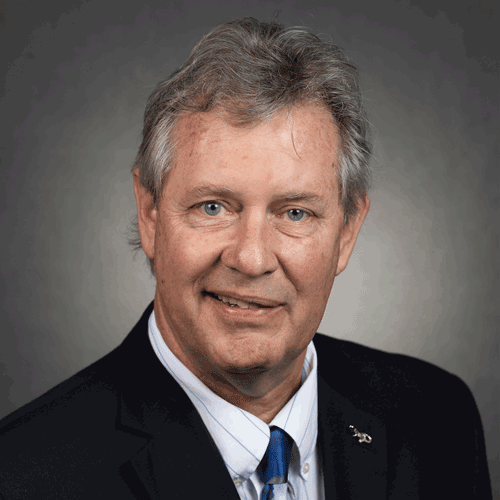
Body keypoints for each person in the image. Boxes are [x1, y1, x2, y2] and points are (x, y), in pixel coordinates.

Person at [0, 17, 492, 500]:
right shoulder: (24, 472)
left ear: (346, 230)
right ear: (149, 213)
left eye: (295, 212)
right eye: (212, 206)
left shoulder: (438, 421)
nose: (252, 258)